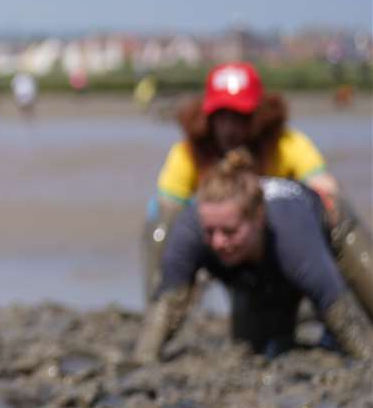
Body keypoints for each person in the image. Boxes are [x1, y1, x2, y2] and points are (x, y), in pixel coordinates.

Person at [142, 61, 368, 306]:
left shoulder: (284, 145)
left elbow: (324, 186)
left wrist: (324, 199)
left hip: (278, 246)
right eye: (221, 117)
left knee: (339, 211)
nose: (229, 129)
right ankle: (162, 303)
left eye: (239, 117)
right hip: (230, 255)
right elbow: (166, 208)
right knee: (159, 224)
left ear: (259, 116)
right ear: (207, 118)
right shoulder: (188, 154)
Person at [136, 149, 373, 362]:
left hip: (332, 228)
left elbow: (341, 311)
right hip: (254, 268)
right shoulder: (190, 230)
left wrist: (365, 357)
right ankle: (300, 316)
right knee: (257, 348)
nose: (218, 242)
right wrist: (145, 358)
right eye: (210, 231)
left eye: (229, 231)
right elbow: (167, 304)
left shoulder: (292, 235)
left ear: (258, 218)